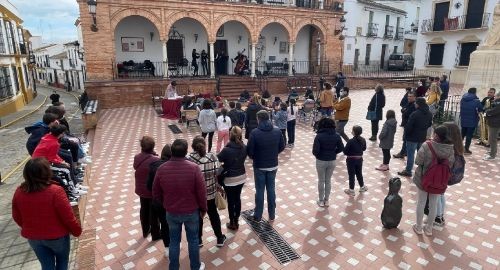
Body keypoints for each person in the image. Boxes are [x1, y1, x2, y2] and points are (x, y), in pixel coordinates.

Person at [12, 158, 82, 270]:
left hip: (33, 237)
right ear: (47, 172)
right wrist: (76, 231)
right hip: (57, 237)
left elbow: (16, 216)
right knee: (62, 263)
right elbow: (68, 217)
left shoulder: (19, 191)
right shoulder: (56, 191)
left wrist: (29, 228)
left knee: (46, 266)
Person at [152, 139, 207, 270]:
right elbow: (201, 192)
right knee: (193, 240)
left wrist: (166, 203)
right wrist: (203, 208)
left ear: (172, 152)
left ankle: (174, 267)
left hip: (171, 212)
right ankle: (195, 266)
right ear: (186, 151)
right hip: (191, 212)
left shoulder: (161, 169)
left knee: (174, 241)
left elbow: (155, 192)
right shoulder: (194, 168)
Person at [412, 125, 454, 236]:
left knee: (421, 202)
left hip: (423, 179)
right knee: (433, 204)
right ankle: (429, 229)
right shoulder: (450, 148)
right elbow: (450, 164)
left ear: (436, 135)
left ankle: (419, 227)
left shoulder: (427, 145)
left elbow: (418, 161)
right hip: (439, 181)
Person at [188, 136, 226, 247]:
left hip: (196, 196)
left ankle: (199, 240)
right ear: (204, 145)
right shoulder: (212, 156)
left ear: (193, 146)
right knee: (214, 214)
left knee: (198, 217)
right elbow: (219, 171)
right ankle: (219, 238)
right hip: (211, 193)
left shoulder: (189, 159)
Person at [247, 110, 285, 221]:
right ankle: (272, 214)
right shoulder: (277, 131)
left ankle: (258, 215)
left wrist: (255, 157)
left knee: (259, 190)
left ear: (259, 119)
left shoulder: (254, 132)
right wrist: (273, 154)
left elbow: (250, 151)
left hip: (259, 165)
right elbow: (282, 147)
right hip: (273, 165)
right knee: (271, 189)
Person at [217, 127, 247, 230]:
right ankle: (237, 219)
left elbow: (218, 159)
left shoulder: (226, 149)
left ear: (230, 135)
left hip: (229, 178)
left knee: (230, 201)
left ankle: (232, 222)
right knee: (237, 198)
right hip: (241, 177)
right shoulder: (244, 147)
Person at [435, 122, 464, 226]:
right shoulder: (458, 146)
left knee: (437, 195)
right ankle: (441, 215)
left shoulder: (447, 147)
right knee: (441, 194)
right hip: (448, 175)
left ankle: (438, 217)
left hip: (442, 174)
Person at [312, 118, 344, 207]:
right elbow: (341, 148)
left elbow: (315, 151)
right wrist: (334, 152)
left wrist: (318, 155)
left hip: (321, 160)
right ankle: (327, 200)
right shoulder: (337, 135)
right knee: (328, 180)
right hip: (332, 160)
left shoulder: (319, 136)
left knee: (321, 180)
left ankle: (321, 200)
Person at [397, 97, 433, 177]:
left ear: (418, 104)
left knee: (410, 155)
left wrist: (406, 135)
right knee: (421, 155)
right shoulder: (429, 113)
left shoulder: (415, 114)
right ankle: (423, 171)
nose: (414, 104)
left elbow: (409, 127)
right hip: (422, 137)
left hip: (412, 138)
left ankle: (408, 171)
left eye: (416, 103)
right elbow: (430, 124)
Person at [133, 136, 160, 238]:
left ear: (142, 147)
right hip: (152, 190)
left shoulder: (137, 157)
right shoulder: (156, 159)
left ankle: (145, 230)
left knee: (143, 209)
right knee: (154, 212)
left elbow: (135, 167)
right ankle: (155, 233)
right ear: (153, 147)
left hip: (141, 189)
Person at [147, 144, 172, 252]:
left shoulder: (153, 166)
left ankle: (167, 248)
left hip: (158, 202)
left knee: (163, 223)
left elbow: (148, 186)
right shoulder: (172, 167)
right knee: (170, 225)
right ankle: (173, 245)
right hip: (170, 202)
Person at [343, 125, 367, 196]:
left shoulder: (350, 141)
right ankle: (362, 187)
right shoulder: (363, 140)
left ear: (354, 132)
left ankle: (351, 190)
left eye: (352, 130)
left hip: (351, 160)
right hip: (359, 159)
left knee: (351, 175)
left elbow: (345, 151)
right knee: (359, 173)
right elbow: (364, 149)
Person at [459, 88, 483, 155]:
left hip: (463, 119)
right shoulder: (476, 101)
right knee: (469, 136)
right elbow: (481, 109)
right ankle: (466, 149)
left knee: (462, 135)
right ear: (475, 92)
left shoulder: (463, 99)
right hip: (472, 121)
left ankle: (458, 147)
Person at [394, 91, 417, 159]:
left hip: (409, 125)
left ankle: (402, 153)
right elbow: (403, 109)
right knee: (405, 139)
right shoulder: (409, 103)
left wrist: (404, 111)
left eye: (411, 96)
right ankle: (405, 152)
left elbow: (407, 113)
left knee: (405, 139)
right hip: (406, 124)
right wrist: (404, 111)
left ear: (414, 97)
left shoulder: (414, 105)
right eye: (408, 96)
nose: (409, 98)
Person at [484, 91, 500, 160]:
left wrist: (487, 112)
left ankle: (492, 155)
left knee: (493, 139)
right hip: (493, 122)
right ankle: (492, 151)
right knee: (491, 138)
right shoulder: (496, 102)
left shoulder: (499, 104)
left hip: (495, 123)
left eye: (496, 96)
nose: (494, 97)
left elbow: (493, 111)